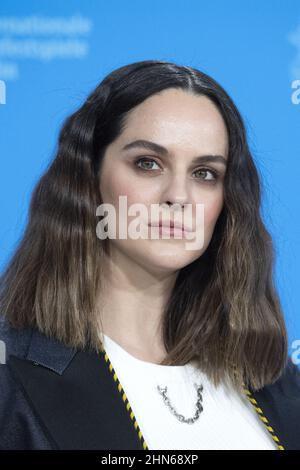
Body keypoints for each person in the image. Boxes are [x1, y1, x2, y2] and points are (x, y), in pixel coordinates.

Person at [0, 60, 299, 451]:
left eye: (205, 173)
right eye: (148, 164)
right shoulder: (11, 376)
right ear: (89, 177)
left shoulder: (273, 377)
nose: (178, 196)